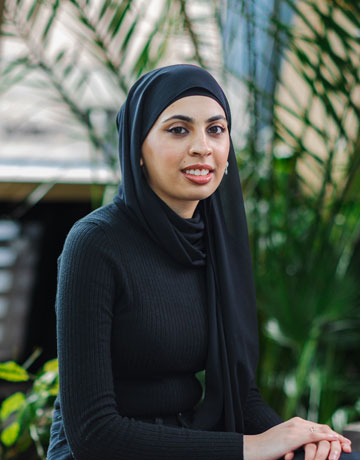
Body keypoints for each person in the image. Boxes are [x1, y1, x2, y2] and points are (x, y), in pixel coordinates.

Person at [47, 64, 358, 460]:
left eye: (216, 129)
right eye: (179, 129)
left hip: (187, 442)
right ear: (137, 149)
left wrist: (305, 438)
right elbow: (94, 432)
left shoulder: (217, 239)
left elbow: (241, 397)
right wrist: (252, 447)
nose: (202, 147)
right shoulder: (94, 244)